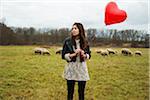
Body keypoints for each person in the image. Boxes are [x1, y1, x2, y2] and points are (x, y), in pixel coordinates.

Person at [62, 22, 91, 100]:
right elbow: (63, 55)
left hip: (81, 68)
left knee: (81, 92)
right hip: (71, 68)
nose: (73, 30)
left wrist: (84, 55)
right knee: (70, 92)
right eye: (72, 28)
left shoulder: (85, 42)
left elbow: (89, 55)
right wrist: (74, 54)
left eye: (75, 28)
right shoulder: (67, 41)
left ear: (80, 30)